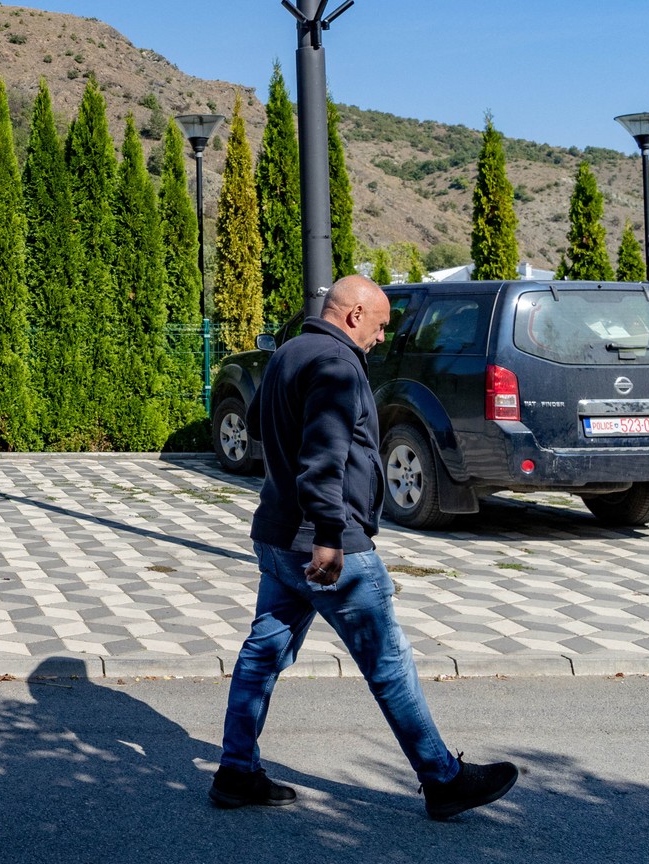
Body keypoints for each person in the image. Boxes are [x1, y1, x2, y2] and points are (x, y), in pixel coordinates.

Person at [211, 275, 519, 821]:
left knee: (262, 654)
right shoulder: (336, 365)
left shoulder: (287, 354)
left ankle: (236, 771)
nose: (379, 338)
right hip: (330, 548)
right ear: (353, 315)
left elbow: (259, 425)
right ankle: (442, 779)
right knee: (389, 664)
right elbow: (322, 460)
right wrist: (330, 537)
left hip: (277, 537)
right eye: (378, 326)